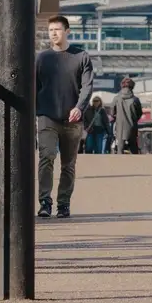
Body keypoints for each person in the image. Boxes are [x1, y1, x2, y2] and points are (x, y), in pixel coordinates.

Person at [36, 14, 94, 218]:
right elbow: (33, 87)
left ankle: (63, 203)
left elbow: (87, 87)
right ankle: (44, 201)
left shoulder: (81, 57)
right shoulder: (41, 58)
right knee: (47, 156)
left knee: (68, 164)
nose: (53, 33)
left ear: (67, 31)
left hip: (73, 119)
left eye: (57, 29)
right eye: (51, 30)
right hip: (47, 117)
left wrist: (80, 107)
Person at [113, 77, 143, 154]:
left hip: (120, 126)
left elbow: (112, 112)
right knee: (133, 147)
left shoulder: (116, 98)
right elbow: (139, 113)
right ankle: (136, 165)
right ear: (132, 86)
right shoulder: (135, 99)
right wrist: (134, 119)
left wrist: (118, 118)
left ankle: (119, 165)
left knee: (120, 147)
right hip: (132, 126)